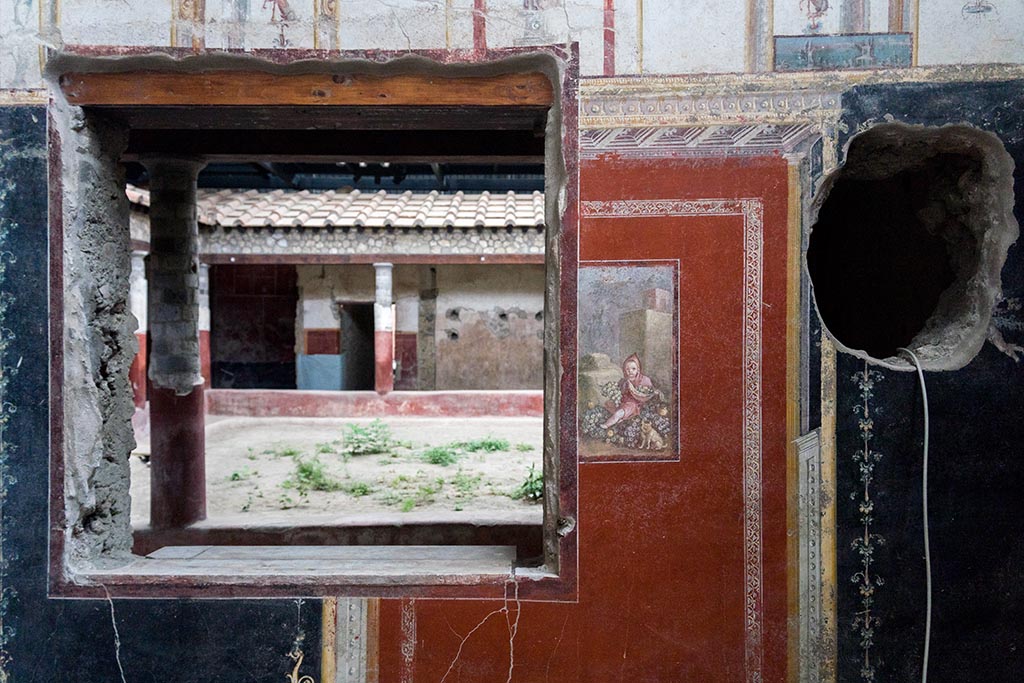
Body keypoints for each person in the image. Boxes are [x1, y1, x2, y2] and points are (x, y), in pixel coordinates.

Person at [600, 354, 662, 429]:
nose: (630, 371)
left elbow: (649, 392)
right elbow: (619, 392)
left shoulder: (644, 380)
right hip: (622, 401)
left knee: (619, 413)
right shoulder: (624, 381)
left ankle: (607, 424)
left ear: (638, 369)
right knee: (608, 404)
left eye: (633, 369)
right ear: (624, 371)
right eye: (627, 369)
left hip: (633, 404)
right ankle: (620, 420)